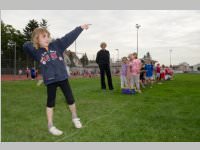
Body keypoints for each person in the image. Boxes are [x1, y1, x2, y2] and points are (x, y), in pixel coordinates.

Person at [23, 24, 90, 136]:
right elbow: (25, 45)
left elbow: (69, 37)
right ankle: (50, 125)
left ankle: (75, 118)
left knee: (70, 99)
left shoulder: (57, 45)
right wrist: (36, 43)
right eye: (44, 37)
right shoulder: (36, 52)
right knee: (50, 102)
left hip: (62, 77)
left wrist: (80, 28)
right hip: (50, 80)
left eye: (48, 36)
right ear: (37, 39)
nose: (47, 39)